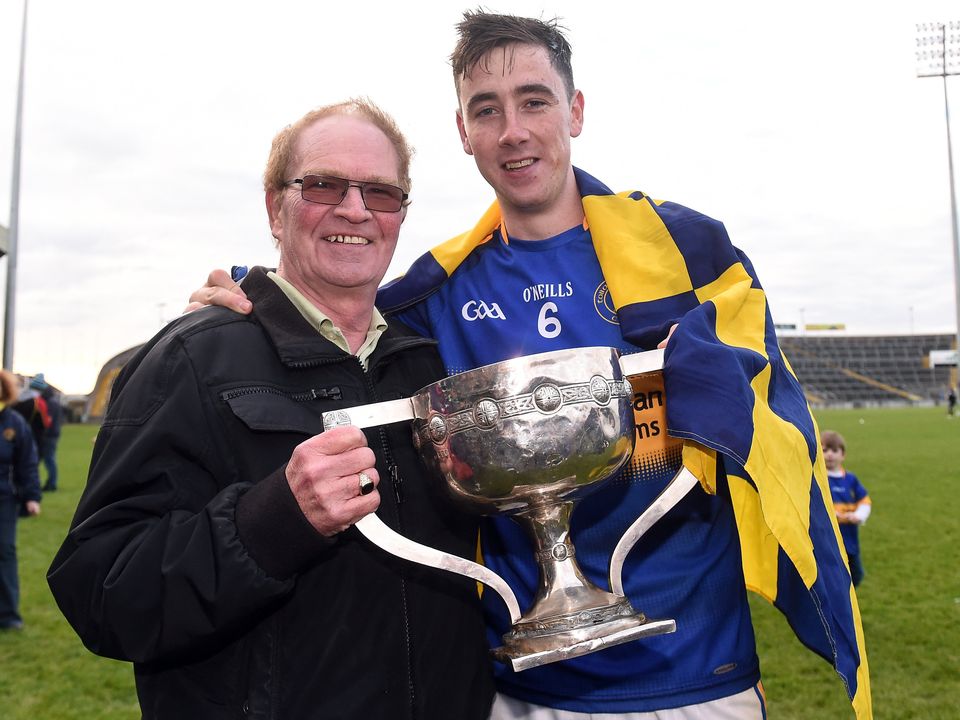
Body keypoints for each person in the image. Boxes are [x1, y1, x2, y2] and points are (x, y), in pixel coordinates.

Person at [191, 12, 871, 720]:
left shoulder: (685, 253)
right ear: (464, 132)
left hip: (693, 672)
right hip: (521, 683)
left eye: (534, 100)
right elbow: (341, 312)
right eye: (487, 110)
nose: (512, 129)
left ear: (575, 111)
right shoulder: (439, 290)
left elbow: (772, 419)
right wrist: (255, 289)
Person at [47, 99, 494, 720]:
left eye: (381, 193)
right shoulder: (191, 358)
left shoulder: (431, 367)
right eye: (323, 185)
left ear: (400, 215)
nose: (355, 210)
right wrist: (270, 523)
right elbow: (101, 591)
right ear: (273, 208)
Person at [0, 369, 41, 631]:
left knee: (4, 552)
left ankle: (8, 615)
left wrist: (32, 496)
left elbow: (27, 462)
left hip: (4, 499)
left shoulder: (14, 423)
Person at [822, 430, 871, 587]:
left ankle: (846, 603)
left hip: (850, 540)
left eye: (834, 451)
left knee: (855, 576)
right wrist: (830, 515)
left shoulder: (851, 480)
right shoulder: (818, 480)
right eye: (825, 450)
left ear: (843, 455)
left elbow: (864, 501)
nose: (830, 455)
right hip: (828, 542)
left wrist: (859, 515)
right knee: (831, 579)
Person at [27, 374, 62, 492]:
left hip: (48, 436)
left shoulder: (48, 403)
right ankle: (50, 483)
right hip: (53, 434)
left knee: (48, 459)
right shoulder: (54, 401)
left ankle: (51, 484)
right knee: (49, 459)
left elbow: (48, 421)